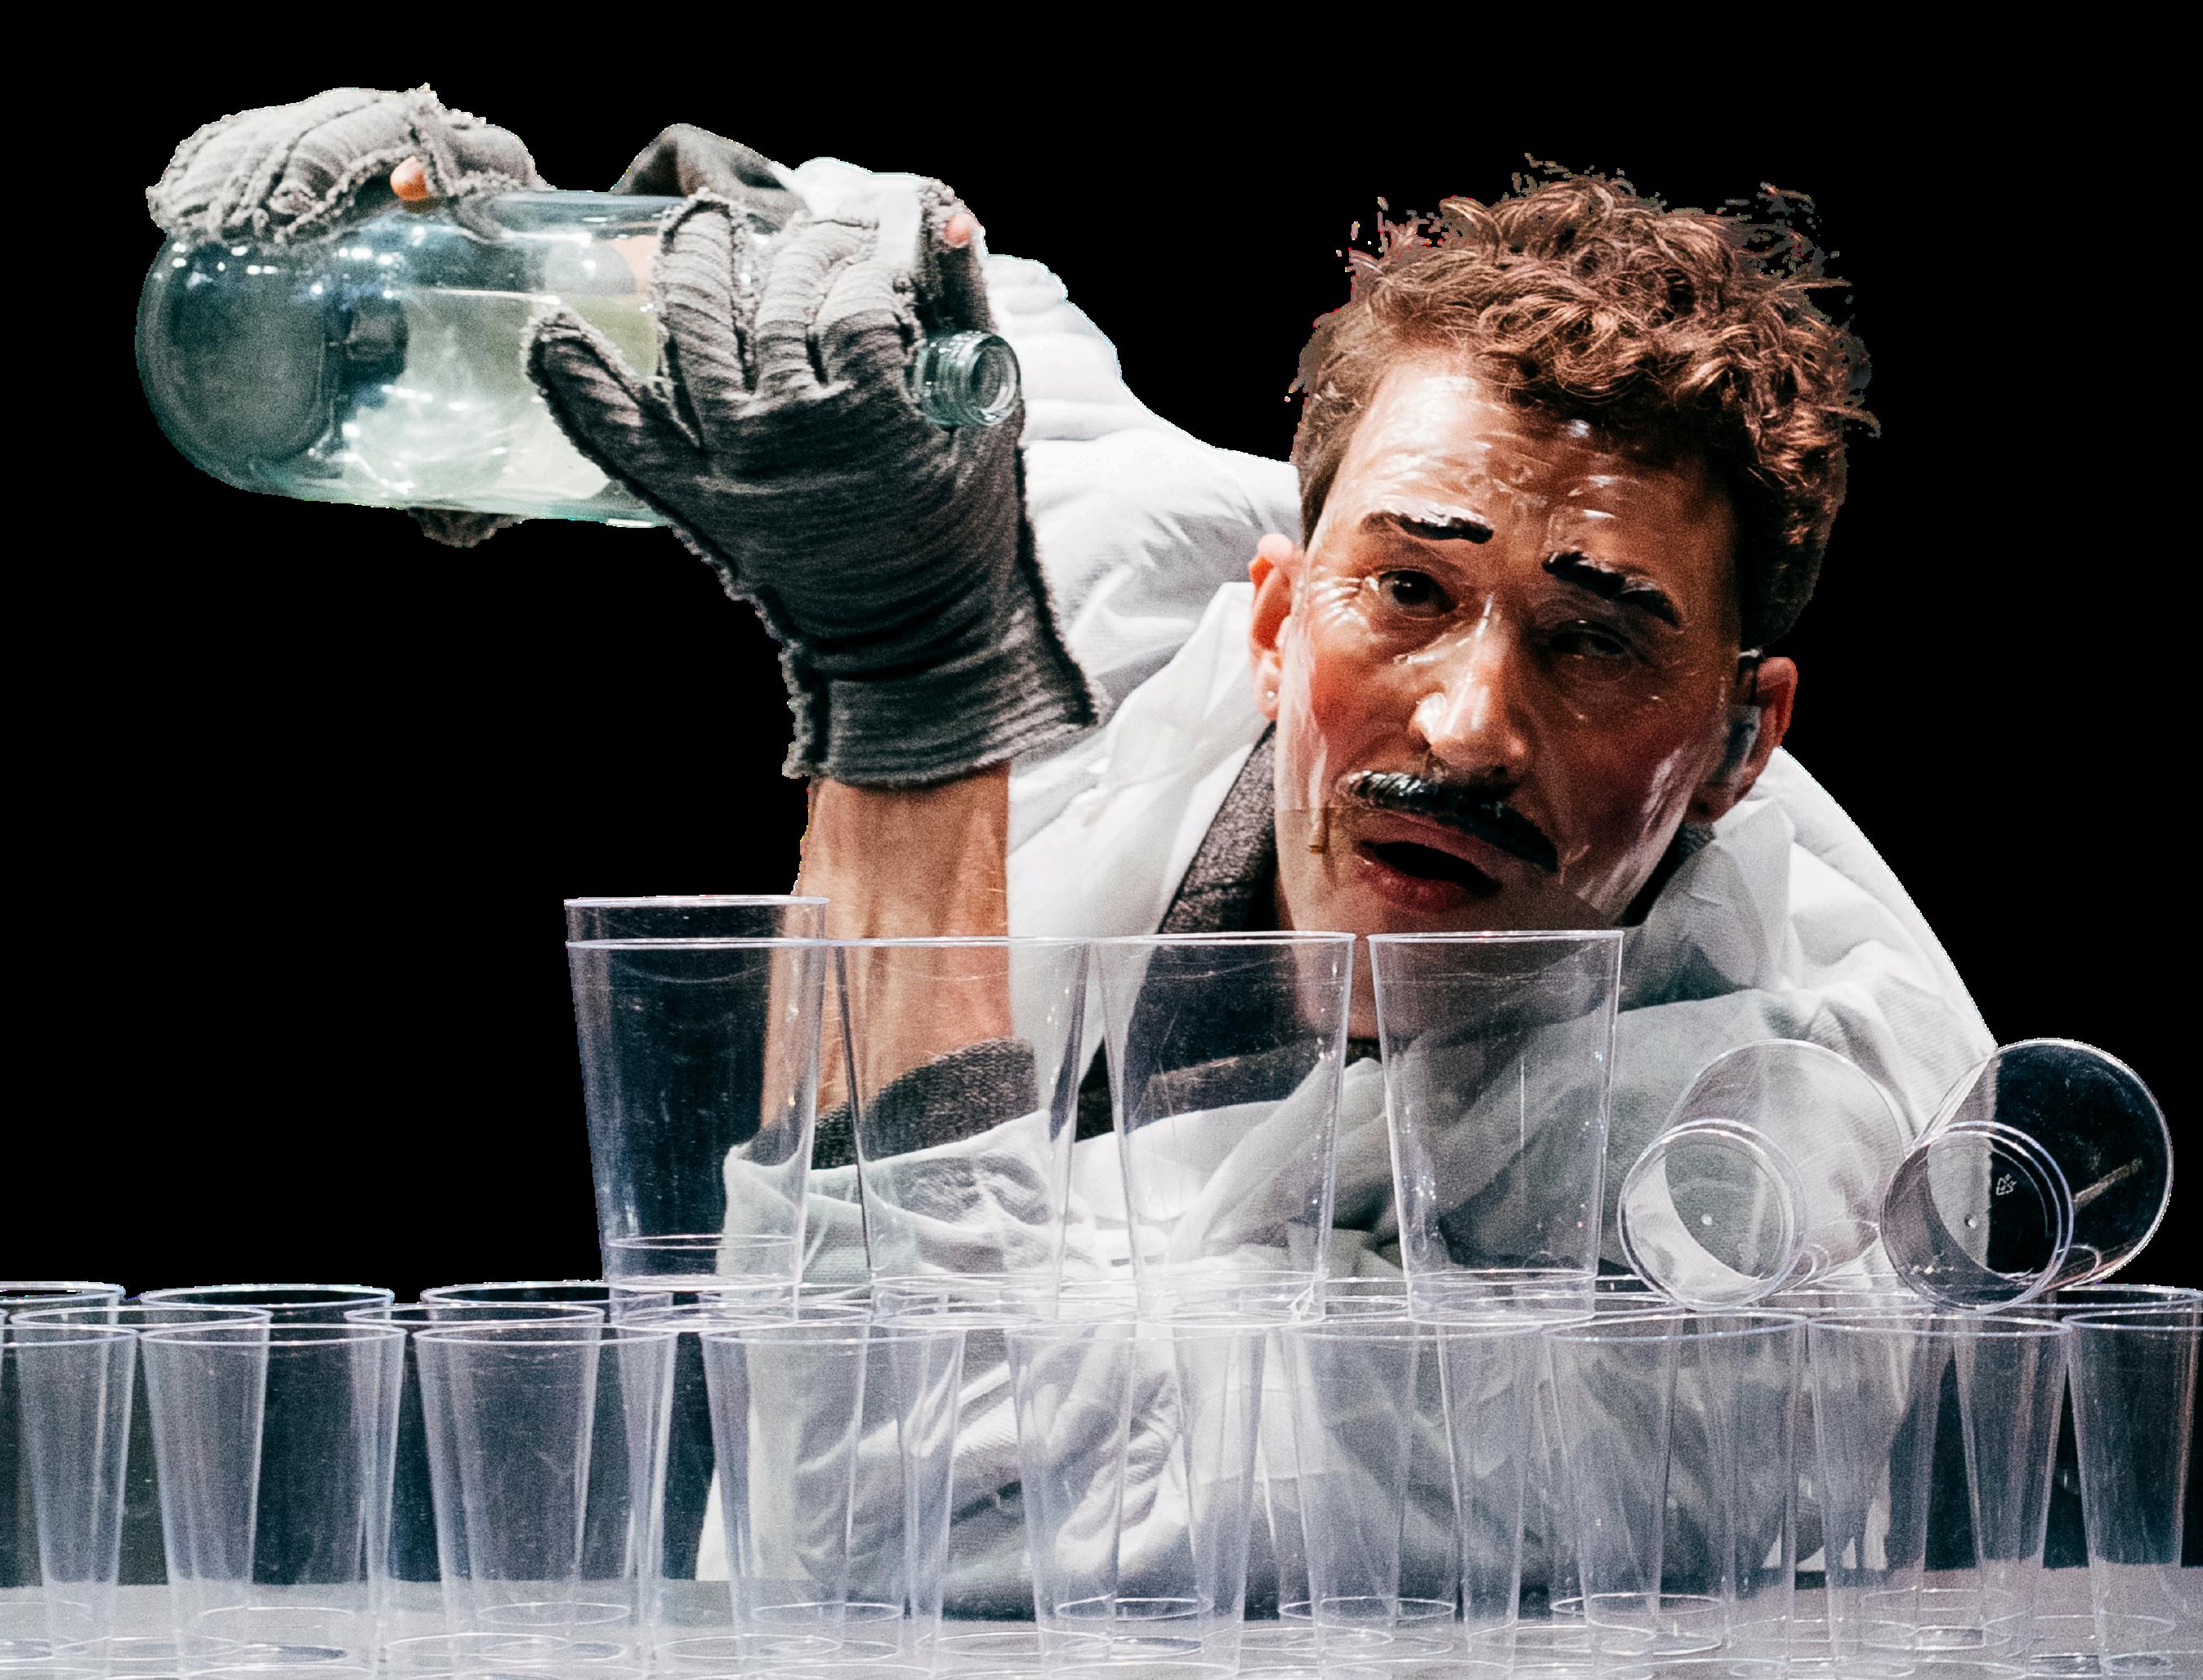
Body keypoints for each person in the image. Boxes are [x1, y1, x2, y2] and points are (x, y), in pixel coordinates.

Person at [152, 91, 2004, 1600]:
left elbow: (930, 1527)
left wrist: (913, 696)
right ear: (1272, 615)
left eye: (1595, 638)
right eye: (1407, 591)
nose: (1464, 724)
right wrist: (494, 238)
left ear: (1741, 738)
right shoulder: (1130, 579)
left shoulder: (1787, 1215)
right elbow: (898, 292)